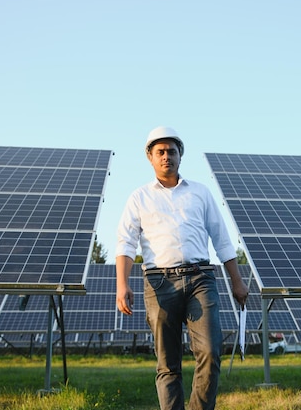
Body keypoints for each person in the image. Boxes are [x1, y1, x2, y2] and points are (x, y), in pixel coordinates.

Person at [115, 126, 249, 410]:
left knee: (211, 353)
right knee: (168, 363)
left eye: (172, 152)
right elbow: (125, 244)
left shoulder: (200, 193)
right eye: (160, 152)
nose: (166, 157)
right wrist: (122, 285)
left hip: (201, 278)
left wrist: (237, 281)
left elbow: (222, 239)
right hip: (158, 282)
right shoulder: (138, 197)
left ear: (180, 156)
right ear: (150, 158)